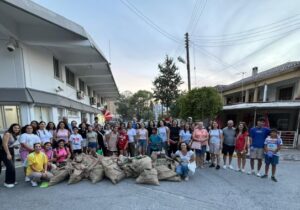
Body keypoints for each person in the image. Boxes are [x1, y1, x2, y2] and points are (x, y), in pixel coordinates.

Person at [0, 123, 20, 188]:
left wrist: (15, 146)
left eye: (18, 128)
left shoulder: (13, 134)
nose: (17, 129)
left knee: (12, 166)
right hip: (5, 151)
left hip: (11, 150)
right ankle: (7, 182)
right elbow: (4, 145)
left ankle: (12, 180)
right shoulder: (8, 133)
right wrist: (8, 154)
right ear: (12, 127)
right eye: (15, 128)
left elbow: (10, 144)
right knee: (10, 166)